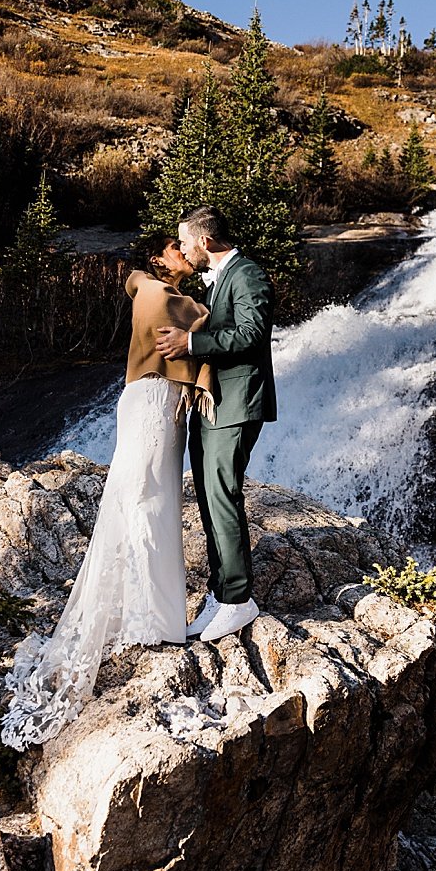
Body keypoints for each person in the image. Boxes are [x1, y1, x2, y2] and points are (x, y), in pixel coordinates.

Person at [0, 234, 214, 750]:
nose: (187, 256)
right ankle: (152, 615)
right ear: (161, 255)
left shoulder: (150, 287)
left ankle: (153, 611)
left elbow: (163, 303)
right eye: (178, 250)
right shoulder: (160, 294)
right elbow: (205, 323)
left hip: (155, 403)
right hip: (152, 403)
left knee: (152, 500)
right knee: (144, 497)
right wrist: (205, 321)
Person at [154, 204, 277, 643]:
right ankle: (220, 593)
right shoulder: (217, 278)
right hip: (213, 404)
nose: (184, 250)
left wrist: (190, 342)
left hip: (238, 403)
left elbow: (251, 333)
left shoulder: (247, 274)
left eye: (185, 242)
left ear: (205, 241)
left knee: (223, 496)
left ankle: (239, 600)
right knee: (208, 498)